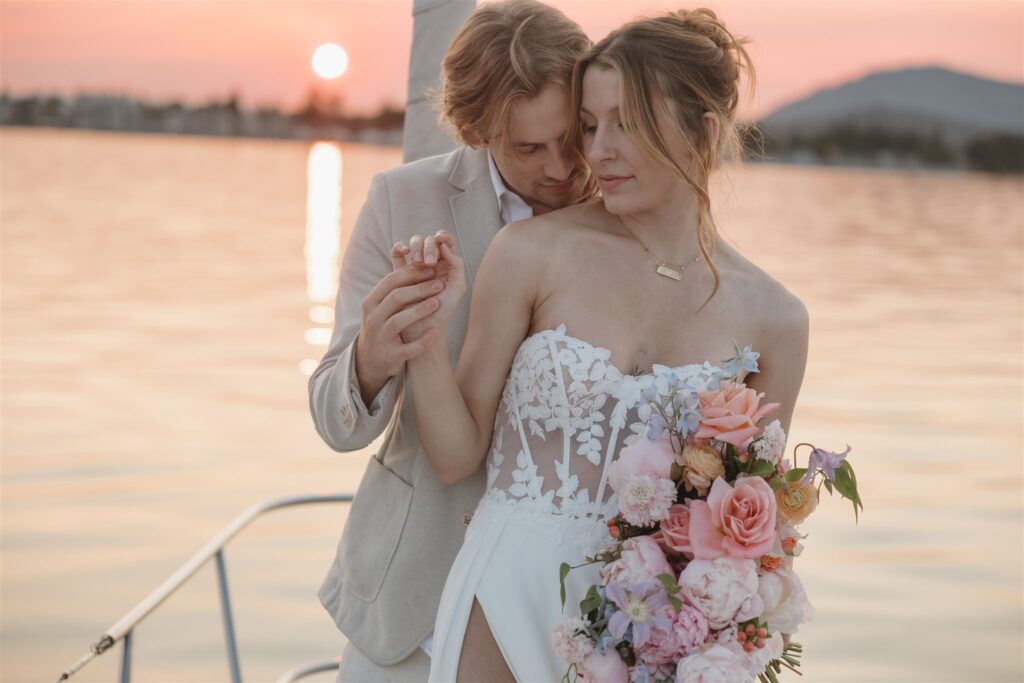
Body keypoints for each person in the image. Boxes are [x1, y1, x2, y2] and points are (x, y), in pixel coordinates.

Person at [390, 8, 809, 682]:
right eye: (590, 124)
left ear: (702, 132)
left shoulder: (776, 318)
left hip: (651, 628)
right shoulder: (531, 251)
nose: (599, 149)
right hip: (504, 594)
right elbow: (455, 453)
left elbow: (745, 532)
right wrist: (425, 337)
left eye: (627, 124)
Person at [308, 2, 593, 681]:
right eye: (528, 148)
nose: (561, 167)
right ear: (477, 132)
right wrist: (374, 357)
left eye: (572, 136)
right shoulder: (402, 201)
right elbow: (331, 415)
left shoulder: (624, 207)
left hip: (570, 615)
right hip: (412, 608)